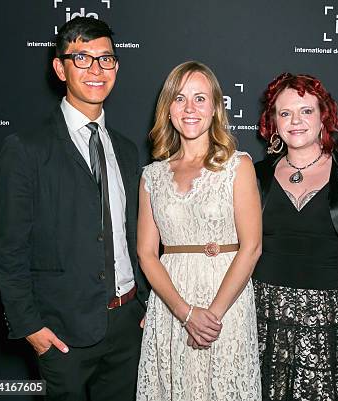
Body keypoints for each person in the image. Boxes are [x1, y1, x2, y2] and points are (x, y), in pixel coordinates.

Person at [0, 17, 148, 401]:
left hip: (129, 325)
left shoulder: (127, 151)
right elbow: (10, 251)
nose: (96, 70)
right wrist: (30, 327)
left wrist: (146, 305)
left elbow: (135, 236)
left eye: (106, 59)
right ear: (60, 68)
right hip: (62, 334)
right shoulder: (25, 149)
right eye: (82, 58)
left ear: (116, 67)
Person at [136, 61, 261, 401]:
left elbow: (251, 248)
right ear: (168, 109)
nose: (190, 108)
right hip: (172, 302)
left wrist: (211, 318)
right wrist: (185, 313)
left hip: (227, 303)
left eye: (200, 98)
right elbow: (147, 254)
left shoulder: (239, 165)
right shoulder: (152, 175)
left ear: (216, 108)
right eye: (179, 99)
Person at [253, 72, 338, 400]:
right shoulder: (256, 174)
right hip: (261, 314)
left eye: (305, 111)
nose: (295, 121)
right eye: (285, 113)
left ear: (324, 117)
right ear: (274, 123)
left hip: (327, 316)